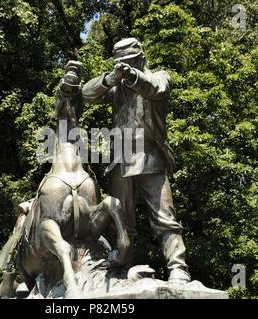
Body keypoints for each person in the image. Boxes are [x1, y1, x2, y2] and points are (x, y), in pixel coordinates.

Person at [82, 38, 191, 282]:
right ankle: (120, 268)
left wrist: (132, 75)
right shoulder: (117, 87)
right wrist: (110, 78)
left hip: (150, 155)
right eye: (121, 63)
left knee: (165, 218)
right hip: (121, 158)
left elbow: (155, 89)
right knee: (121, 220)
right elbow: (86, 95)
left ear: (141, 58)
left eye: (130, 62)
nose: (125, 67)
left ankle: (178, 268)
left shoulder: (160, 76)